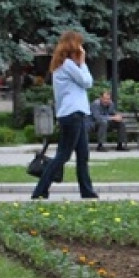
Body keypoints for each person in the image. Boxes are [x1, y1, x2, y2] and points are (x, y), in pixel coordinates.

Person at [31, 30, 98, 201]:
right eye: (80, 46)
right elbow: (87, 82)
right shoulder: (67, 65)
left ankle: (87, 191)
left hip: (76, 114)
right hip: (72, 114)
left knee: (83, 155)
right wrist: (83, 62)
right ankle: (40, 191)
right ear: (73, 47)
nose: (82, 49)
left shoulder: (63, 66)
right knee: (63, 155)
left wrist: (80, 64)